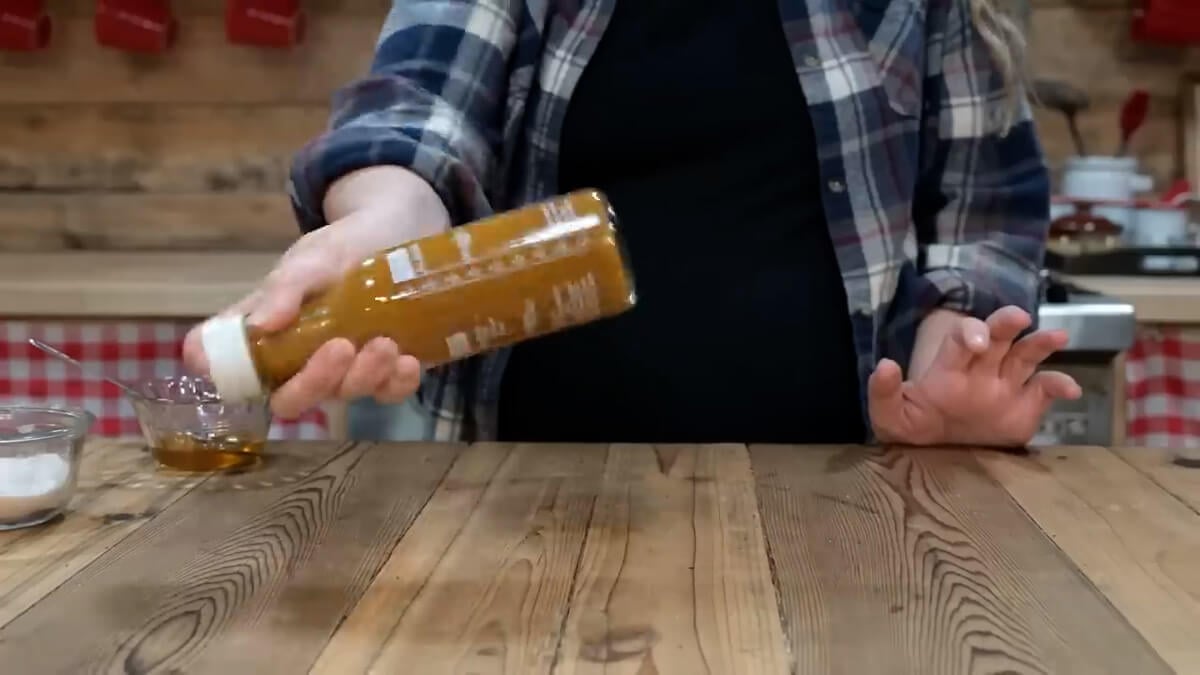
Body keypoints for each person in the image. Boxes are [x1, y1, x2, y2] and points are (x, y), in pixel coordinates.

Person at [184, 0, 1081, 447]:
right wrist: (381, 218)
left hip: (837, 502)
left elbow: (980, 211)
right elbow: (422, 104)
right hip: (525, 493)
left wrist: (951, 356)